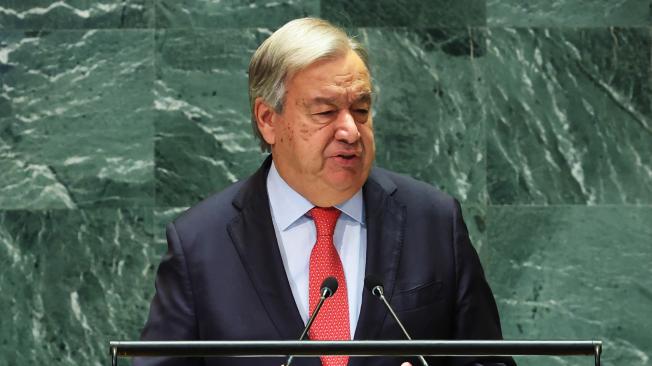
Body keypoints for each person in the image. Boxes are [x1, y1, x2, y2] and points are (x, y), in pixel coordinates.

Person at [136, 17, 515, 366]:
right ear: (268, 120)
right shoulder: (200, 244)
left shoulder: (433, 222)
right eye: (324, 112)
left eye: (361, 110)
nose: (350, 130)